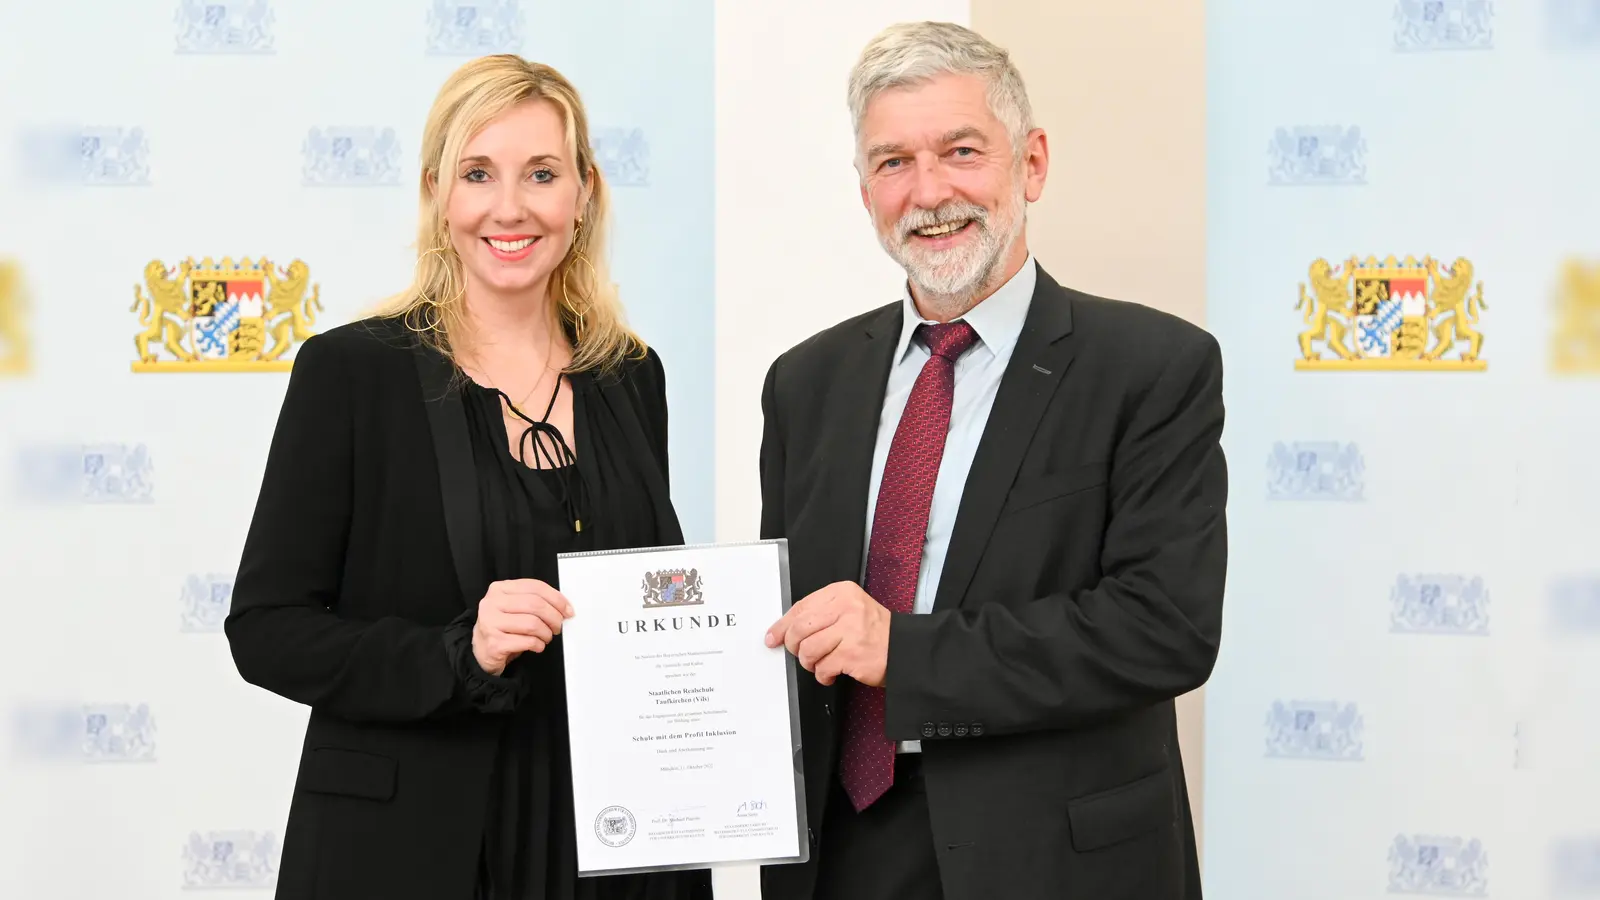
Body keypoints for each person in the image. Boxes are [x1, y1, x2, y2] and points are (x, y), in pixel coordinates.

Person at [757, 21, 1227, 900]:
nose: (929, 192)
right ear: (864, 191)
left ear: (1032, 163)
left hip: (1056, 860)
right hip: (842, 856)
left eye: (961, 151)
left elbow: (1164, 630)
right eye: (892, 162)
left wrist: (907, 652)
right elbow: (792, 620)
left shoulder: (1152, 368)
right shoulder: (804, 383)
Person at [224, 55, 712, 900]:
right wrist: (460, 652)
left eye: (542, 173)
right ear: (437, 193)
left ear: (584, 192)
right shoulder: (351, 373)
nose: (510, 207)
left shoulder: (632, 375)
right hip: (410, 849)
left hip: (614, 846)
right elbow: (265, 629)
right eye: (478, 173)